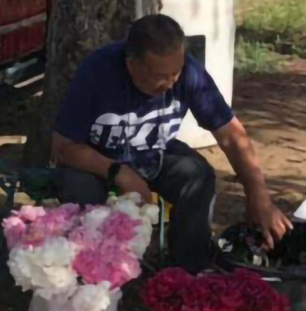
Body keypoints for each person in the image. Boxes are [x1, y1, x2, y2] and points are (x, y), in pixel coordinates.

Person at [52, 14, 291, 273]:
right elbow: (63, 146)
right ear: (132, 65)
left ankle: (187, 270)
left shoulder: (188, 72)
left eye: (176, 73)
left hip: (154, 153)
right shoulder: (97, 72)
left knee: (198, 177)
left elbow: (231, 135)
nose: (170, 84)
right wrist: (120, 174)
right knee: (81, 194)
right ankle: (90, 276)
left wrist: (259, 195)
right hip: (96, 160)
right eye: (160, 76)